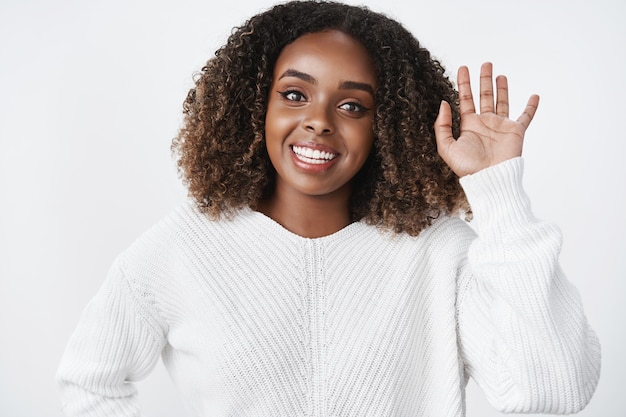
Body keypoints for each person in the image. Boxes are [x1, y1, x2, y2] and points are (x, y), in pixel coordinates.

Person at [56, 1, 601, 416]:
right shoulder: (181, 249)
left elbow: (551, 388)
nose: (319, 120)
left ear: (384, 125)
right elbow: (89, 382)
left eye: (351, 105)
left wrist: (496, 191)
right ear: (255, 104)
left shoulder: (440, 252)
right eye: (295, 94)